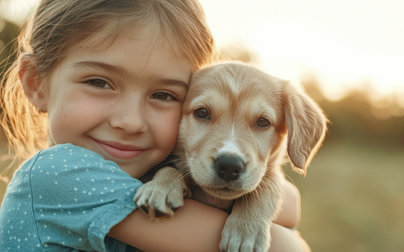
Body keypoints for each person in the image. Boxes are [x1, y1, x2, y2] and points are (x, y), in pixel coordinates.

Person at [0, 0, 309, 251]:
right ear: (37, 84)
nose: (131, 122)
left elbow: (289, 200)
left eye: (163, 94)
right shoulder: (56, 173)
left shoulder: (149, 168)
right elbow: (288, 247)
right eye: (98, 82)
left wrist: (264, 195)